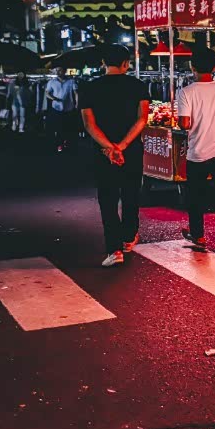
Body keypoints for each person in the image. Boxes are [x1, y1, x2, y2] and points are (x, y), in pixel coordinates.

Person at [80, 45, 150, 267]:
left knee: (108, 199)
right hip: (131, 149)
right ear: (126, 64)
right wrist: (122, 145)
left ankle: (114, 250)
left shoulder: (89, 88)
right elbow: (142, 119)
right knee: (131, 194)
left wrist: (109, 147)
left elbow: (89, 124)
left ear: (103, 63)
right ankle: (129, 238)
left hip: (103, 153)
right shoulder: (138, 86)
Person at [177, 47, 215, 255]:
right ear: (214, 67)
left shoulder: (186, 92)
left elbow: (185, 123)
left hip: (198, 151)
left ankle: (199, 235)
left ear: (192, 66)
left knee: (196, 194)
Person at [44, 66, 78, 151]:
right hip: (56, 107)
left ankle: (66, 141)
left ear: (64, 71)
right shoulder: (51, 82)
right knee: (58, 127)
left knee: (68, 126)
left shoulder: (71, 81)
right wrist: (54, 99)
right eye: (56, 70)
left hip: (68, 107)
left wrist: (77, 104)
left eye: (60, 70)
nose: (58, 72)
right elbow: (47, 93)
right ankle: (60, 143)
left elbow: (76, 93)